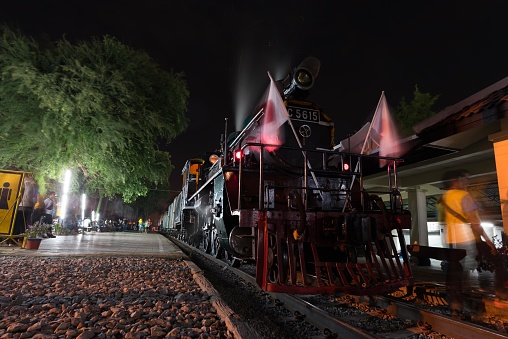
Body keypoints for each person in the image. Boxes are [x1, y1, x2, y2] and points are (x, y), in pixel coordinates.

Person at [438, 169, 496, 314]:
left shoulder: (443, 198)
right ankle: (463, 305)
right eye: (464, 179)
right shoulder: (464, 195)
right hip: (465, 238)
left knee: (453, 272)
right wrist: (487, 240)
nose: (466, 182)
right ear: (455, 181)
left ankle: (455, 302)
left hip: (449, 240)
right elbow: (474, 221)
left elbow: (442, 221)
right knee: (464, 273)